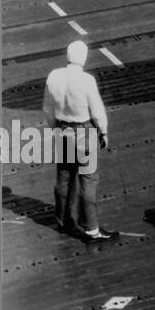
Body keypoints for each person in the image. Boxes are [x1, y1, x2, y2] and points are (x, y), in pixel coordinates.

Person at [42, 41, 116, 242]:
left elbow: (48, 109)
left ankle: (62, 219)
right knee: (88, 179)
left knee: (64, 177)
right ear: (83, 58)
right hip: (84, 132)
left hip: (61, 128)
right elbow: (97, 111)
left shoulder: (53, 76)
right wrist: (103, 131)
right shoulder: (87, 80)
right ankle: (91, 228)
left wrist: (54, 127)